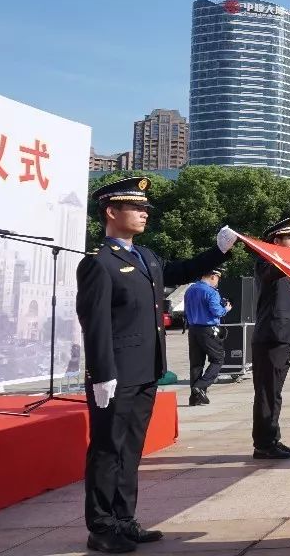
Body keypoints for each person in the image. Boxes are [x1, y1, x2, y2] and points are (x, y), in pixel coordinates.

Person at [76, 176, 236, 553]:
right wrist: (102, 374)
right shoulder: (99, 263)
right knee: (107, 449)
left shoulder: (145, 257)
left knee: (131, 449)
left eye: (146, 208)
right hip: (115, 374)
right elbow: (94, 322)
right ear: (112, 212)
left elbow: (181, 270)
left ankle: (124, 520)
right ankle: (101, 527)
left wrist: (219, 249)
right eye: (136, 208)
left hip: (146, 371)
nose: (144, 214)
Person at [252, 217, 290, 460]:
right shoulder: (266, 262)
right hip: (271, 337)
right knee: (267, 392)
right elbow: (269, 273)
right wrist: (284, 256)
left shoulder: (283, 266)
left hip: (282, 338)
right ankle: (264, 444)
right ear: (276, 240)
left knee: (274, 392)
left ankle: (272, 438)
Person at [185, 267, 231, 406]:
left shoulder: (190, 290)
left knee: (196, 363)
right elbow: (217, 311)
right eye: (217, 278)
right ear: (213, 276)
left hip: (193, 329)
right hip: (207, 329)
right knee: (218, 358)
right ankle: (200, 386)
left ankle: (195, 398)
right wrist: (226, 309)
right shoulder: (211, 292)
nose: (217, 281)